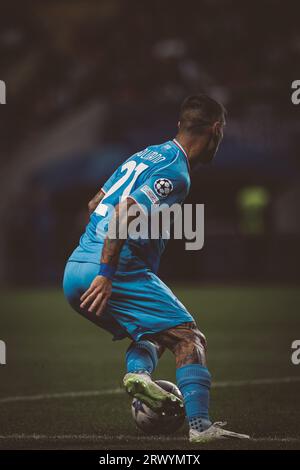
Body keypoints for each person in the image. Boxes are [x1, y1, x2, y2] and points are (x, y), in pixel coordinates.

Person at [63, 94, 249, 443]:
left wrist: (96, 258)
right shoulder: (175, 173)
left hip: (75, 270)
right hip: (112, 273)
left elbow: (95, 204)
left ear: (179, 125)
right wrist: (106, 272)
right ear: (217, 129)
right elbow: (122, 214)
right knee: (188, 338)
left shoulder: (144, 154)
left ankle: (140, 376)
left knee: (153, 332)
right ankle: (200, 427)